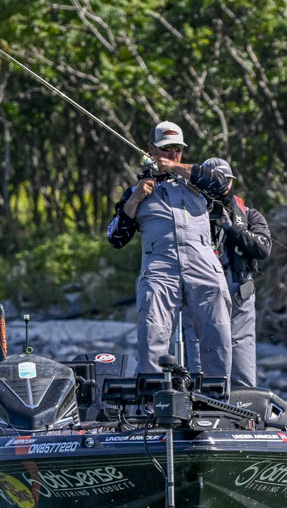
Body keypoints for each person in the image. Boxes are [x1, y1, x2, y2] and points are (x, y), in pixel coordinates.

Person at [106, 120, 233, 378]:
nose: (172, 154)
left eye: (178, 149)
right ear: (151, 149)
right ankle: (153, 396)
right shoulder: (135, 191)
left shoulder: (198, 181)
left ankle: (217, 395)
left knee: (217, 332)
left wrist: (176, 168)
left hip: (203, 264)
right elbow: (115, 237)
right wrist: (135, 200)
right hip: (159, 269)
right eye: (166, 149)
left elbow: (223, 185)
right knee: (152, 333)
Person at [185, 157, 271, 388]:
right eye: (211, 182)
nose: (217, 187)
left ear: (231, 183)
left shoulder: (249, 215)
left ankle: (242, 406)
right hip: (201, 296)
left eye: (223, 181)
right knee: (199, 365)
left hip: (239, 297)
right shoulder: (188, 216)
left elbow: (263, 249)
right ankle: (201, 403)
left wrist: (231, 228)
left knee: (242, 368)